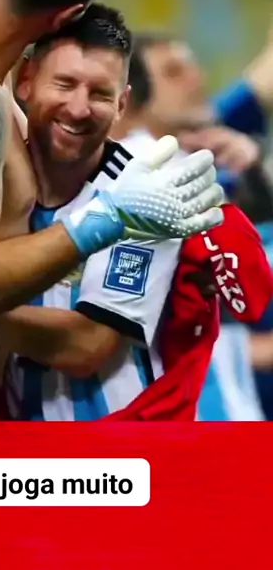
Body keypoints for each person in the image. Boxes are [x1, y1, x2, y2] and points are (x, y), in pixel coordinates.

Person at [0, 5, 243, 421]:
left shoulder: (144, 197)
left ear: (122, 104)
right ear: (26, 80)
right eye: (64, 84)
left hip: (120, 444)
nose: (79, 108)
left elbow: (85, 346)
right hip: (14, 439)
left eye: (100, 93)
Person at [116, 34, 272, 420]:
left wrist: (254, 172)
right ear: (129, 96)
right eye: (173, 72)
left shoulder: (207, 163)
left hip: (236, 412)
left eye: (191, 66)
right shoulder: (140, 183)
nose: (196, 79)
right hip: (203, 421)